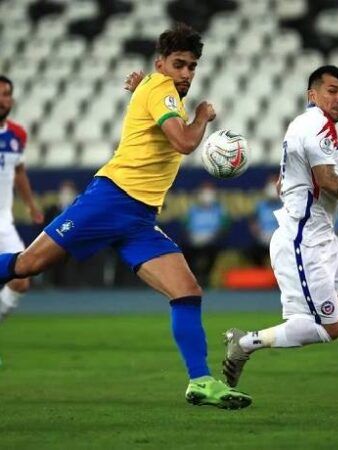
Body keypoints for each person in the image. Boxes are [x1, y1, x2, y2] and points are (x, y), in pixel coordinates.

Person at [0, 24, 251, 409]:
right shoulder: (163, 90)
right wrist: (202, 116)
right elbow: (184, 142)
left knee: (187, 292)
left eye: (193, 67)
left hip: (139, 218)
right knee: (28, 264)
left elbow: (151, 103)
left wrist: (143, 88)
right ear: (161, 63)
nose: (186, 74)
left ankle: (200, 382)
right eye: (179, 65)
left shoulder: (156, 88)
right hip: (109, 200)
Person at [222, 66, 338, 411]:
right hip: (304, 241)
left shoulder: (305, 125)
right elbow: (326, 179)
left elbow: (299, 175)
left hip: (325, 237)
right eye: (332, 90)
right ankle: (245, 342)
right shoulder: (316, 125)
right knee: (329, 328)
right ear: (313, 95)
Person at [0, 75, 44, 323]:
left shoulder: (17, 134)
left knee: (21, 279)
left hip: (3, 222)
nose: (1, 99)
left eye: (6, 94)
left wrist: (30, 205)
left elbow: (18, 170)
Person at [183, 181, 229, 287]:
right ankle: (192, 277)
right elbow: (186, 226)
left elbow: (224, 226)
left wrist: (213, 236)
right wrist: (192, 236)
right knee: (186, 251)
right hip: (195, 239)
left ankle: (206, 277)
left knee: (212, 251)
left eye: (210, 191)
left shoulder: (219, 209)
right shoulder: (193, 209)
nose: (207, 195)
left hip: (212, 240)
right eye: (205, 191)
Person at [248, 174, 282, 266]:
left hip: (280, 242)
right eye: (270, 183)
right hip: (263, 240)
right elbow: (253, 222)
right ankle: (262, 277)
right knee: (253, 252)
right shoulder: (260, 205)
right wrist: (258, 233)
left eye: (274, 183)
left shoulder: (284, 205)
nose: (272, 186)